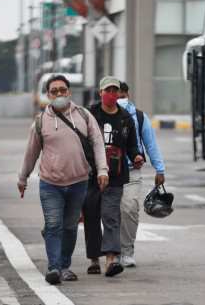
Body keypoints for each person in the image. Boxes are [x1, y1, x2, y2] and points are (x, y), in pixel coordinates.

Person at [17, 74, 109, 285]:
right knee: (52, 225)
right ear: (48, 96)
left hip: (79, 182)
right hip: (50, 184)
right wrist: (23, 178)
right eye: (54, 91)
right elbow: (31, 153)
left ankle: (65, 266)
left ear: (69, 91)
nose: (59, 94)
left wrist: (102, 171)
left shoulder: (84, 116)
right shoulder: (40, 123)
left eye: (62, 90)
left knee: (69, 226)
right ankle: (54, 269)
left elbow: (97, 144)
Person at [83, 76, 144, 277]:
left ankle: (110, 261)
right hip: (90, 176)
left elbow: (133, 145)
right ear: (100, 93)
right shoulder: (89, 114)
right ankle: (94, 260)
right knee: (91, 217)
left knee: (110, 217)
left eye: (114, 91)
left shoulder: (126, 118)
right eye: (107, 91)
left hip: (115, 176)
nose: (111, 94)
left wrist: (137, 156)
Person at [116, 81, 165, 267]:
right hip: (107, 174)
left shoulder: (138, 117)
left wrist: (159, 169)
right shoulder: (99, 114)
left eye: (122, 96)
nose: (119, 99)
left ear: (128, 96)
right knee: (111, 213)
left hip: (131, 172)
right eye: (115, 95)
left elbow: (151, 144)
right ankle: (113, 252)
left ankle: (127, 252)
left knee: (129, 208)